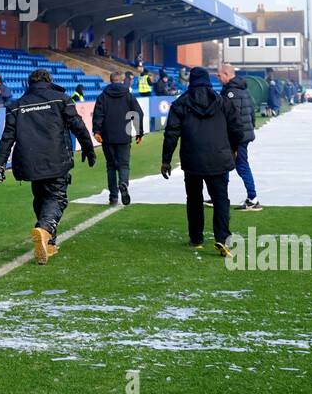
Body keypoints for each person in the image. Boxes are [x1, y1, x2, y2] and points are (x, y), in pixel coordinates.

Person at [0, 68, 97, 264]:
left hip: (29, 163)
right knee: (57, 198)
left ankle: (49, 244)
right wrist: (88, 149)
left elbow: (7, 138)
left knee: (41, 198)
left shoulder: (17, 105)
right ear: (49, 81)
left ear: (29, 83)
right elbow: (79, 125)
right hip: (56, 159)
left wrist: (0, 163)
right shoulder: (61, 98)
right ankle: (45, 229)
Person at [160, 67, 243, 254]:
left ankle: (196, 238)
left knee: (194, 199)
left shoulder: (180, 103)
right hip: (219, 158)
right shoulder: (222, 101)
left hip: (192, 159)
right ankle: (222, 238)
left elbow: (171, 134)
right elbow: (237, 128)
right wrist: (234, 148)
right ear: (207, 81)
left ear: (191, 82)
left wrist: (166, 160)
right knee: (221, 199)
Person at [91, 71, 144, 206]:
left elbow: (98, 115)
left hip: (107, 137)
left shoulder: (102, 97)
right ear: (122, 80)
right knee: (124, 165)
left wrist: (96, 131)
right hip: (124, 136)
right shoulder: (128, 96)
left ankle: (113, 197)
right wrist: (139, 132)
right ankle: (123, 184)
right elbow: (138, 114)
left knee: (111, 167)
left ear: (110, 80)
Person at [218, 64, 261, 211]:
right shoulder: (243, 89)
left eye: (219, 75)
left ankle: (253, 199)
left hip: (237, 137)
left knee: (241, 166)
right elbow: (252, 113)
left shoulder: (231, 92)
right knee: (225, 165)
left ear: (226, 74)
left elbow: (232, 117)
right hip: (244, 134)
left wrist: (233, 138)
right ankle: (219, 195)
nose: (218, 78)